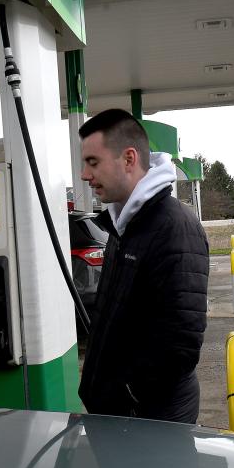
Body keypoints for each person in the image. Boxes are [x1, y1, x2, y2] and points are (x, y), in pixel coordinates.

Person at [77, 109, 209, 423]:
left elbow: (180, 345)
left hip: (150, 418)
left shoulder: (174, 227)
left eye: (93, 162)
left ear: (129, 159)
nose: (84, 174)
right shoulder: (125, 224)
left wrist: (126, 395)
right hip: (124, 415)